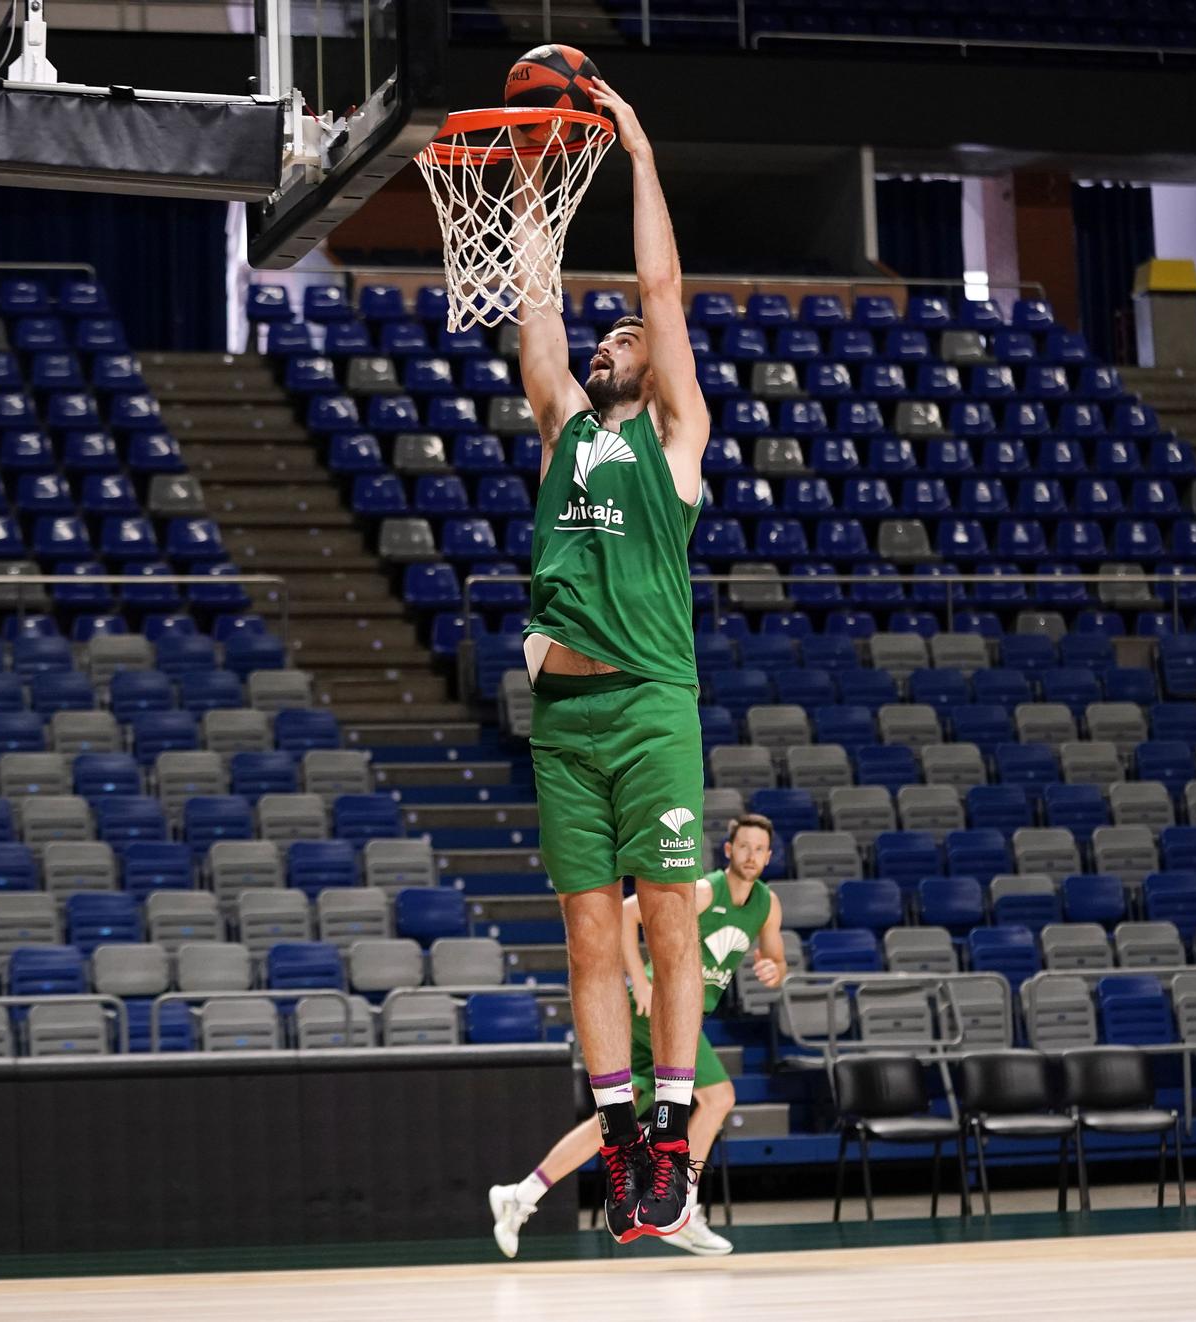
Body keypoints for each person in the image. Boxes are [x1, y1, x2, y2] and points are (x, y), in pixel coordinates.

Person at [509, 75, 714, 1243]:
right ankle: (622, 1132)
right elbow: (536, 301)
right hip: (563, 718)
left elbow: (661, 285)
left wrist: (633, 146)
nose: (610, 338)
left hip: (649, 707)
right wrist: (533, 179)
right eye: (605, 337)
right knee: (591, 935)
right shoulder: (561, 431)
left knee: (667, 920)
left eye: (625, 337)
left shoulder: (673, 436)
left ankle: (674, 1132)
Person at [489, 815, 784, 1258]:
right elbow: (627, 913)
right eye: (743, 847)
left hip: (681, 1024)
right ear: (728, 850)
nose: (751, 856)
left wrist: (773, 970)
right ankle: (685, 1206)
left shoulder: (767, 904)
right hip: (657, 1015)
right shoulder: (706, 891)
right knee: (719, 1097)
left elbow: (776, 959)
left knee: (614, 1123)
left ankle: (521, 1195)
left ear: (769, 855)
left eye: (759, 849)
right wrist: (639, 982)